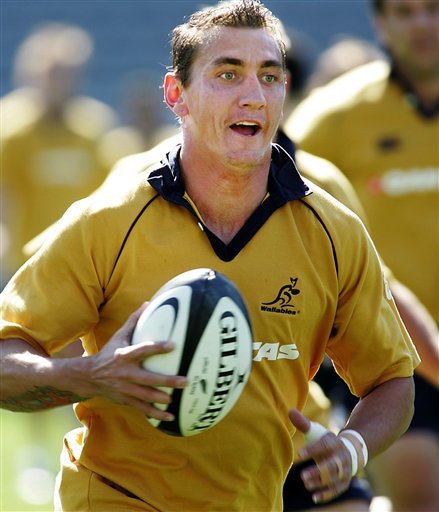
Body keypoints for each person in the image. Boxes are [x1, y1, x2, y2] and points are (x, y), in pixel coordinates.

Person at [1, 1, 419, 510]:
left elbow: (392, 379)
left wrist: (353, 446)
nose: (253, 95)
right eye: (228, 74)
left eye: (269, 77)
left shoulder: (333, 230)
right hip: (114, 496)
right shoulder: (108, 219)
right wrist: (88, 377)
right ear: (176, 95)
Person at [285, 1, 439, 510]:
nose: (422, 23)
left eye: (433, 9)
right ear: (381, 24)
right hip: (394, 351)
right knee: (420, 493)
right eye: (405, 11)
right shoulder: (332, 117)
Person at [0, 22, 118, 286]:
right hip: (23, 263)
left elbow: (106, 193)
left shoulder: (93, 127)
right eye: (52, 73)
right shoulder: (10, 127)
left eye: (68, 73)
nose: (59, 83)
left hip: (76, 261)